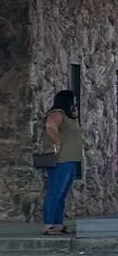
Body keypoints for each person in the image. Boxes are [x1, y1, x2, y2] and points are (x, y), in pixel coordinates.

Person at [41, 90, 84, 235]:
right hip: (61, 160)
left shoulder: (69, 116)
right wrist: (57, 142)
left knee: (62, 193)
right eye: (73, 99)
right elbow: (50, 126)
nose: (75, 102)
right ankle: (48, 224)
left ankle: (58, 224)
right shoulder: (58, 113)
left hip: (71, 159)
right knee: (55, 192)